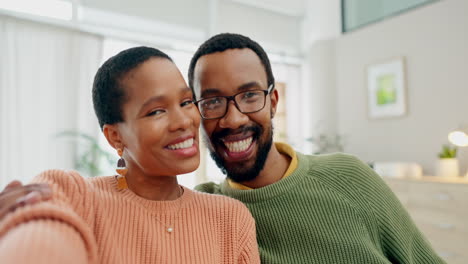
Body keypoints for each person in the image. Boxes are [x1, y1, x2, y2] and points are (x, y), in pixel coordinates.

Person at [1, 33, 444, 263]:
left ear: (273, 100)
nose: (232, 119)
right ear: (115, 135)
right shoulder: (220, 210)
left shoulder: (345, 177)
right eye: (211, 101)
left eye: (249, 95)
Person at [0, 46, 260, 264]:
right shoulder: (74, 196)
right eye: (156, 111)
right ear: (115, 136)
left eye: (185, 102)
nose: (183, 121)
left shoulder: (231, 219)